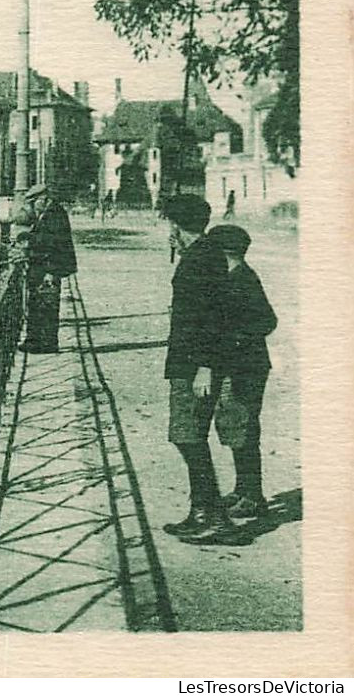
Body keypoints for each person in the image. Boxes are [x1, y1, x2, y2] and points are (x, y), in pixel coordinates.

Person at [160, 194, 241, 542]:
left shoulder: (199, 260)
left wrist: (205, 367)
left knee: (188, 437)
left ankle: (215, 518)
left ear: (178, 226)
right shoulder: (203, 254)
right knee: (187, 436)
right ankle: (201, 511)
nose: (168, 233)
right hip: (190, 361)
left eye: (169, 225)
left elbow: (212, 318)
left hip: (195, 365)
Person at [206, 224, 277, 521]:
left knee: (244, 429)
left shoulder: (242, 279)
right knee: (236, 427)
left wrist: (234, 339)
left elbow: (267, 321)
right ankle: (243, 488)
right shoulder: (232, 277)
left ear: (223, 252)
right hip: (240, 365)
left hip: (246, 368)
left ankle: (253, 496)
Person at [18, 182, 77, 354]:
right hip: (42, 266)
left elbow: (52, 244)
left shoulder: (54, 214)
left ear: (42, 199)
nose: (32, 207)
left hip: (49, 268)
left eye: (33, 203)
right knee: (37, 304)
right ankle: (33, 340)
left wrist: (29, 240)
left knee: (46, 306)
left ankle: (46, 343)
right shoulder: (49, 213)